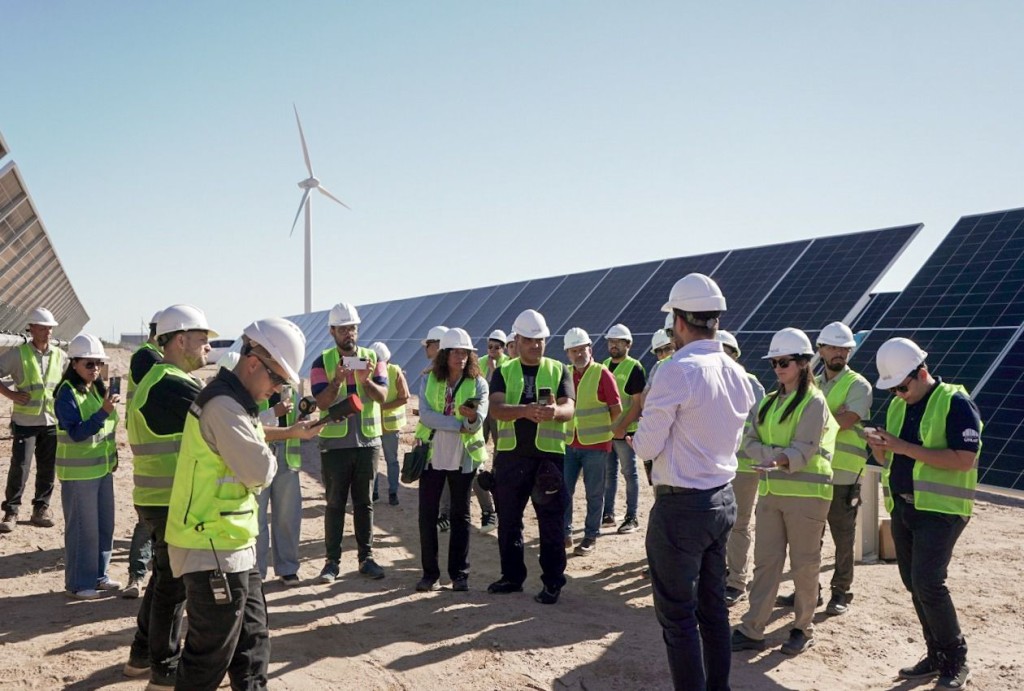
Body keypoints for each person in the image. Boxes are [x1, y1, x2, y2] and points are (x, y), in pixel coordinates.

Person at [165, 317, 316, 690]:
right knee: (210, 656)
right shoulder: (223, 406)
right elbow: (259, 472)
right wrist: (271, 451)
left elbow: (251, 435)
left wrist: (288, 431)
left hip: (233, 545)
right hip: (210, 546)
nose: (279, 390)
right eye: (277, 380)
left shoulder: (236, 401)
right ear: (253, 363)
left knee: (252, 646)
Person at [633, 274, 754, 691]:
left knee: (678, 617)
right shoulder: (738, 373)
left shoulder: (675, 370)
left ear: (680, 322)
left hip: (681, 508)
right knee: (713, 610)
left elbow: (647, 448)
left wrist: (639, 432)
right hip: (721, 501)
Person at [867, 338, 981, 689]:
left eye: (903, 386)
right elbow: (892, 460)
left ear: (922, 373)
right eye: (894, 389)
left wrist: (902, 447)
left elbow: (964, 460)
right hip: (904, 507)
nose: (899, 394)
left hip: (942, 511)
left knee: (930, 582)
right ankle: (936, 654)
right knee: (913, 583)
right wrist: (881, 449)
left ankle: (956, 658)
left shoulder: (956, 402)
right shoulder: (900, 406)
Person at [123, 304, 216, 689]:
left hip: (156, 497)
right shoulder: (173, 383)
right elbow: (223, 422)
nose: (208, 349)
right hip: (167, 499)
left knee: (164, 579)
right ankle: (164, 670)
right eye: (203, 340)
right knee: (173, 587)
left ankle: (142, 656)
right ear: (180, 340)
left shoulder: (161, 378)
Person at [732, 327, 837, 657]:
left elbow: (802, 449)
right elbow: (747, 440)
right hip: (771, 491)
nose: (778, 367)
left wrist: (771, 454)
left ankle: (802, 628)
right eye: (775, 362)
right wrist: (772, 454)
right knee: (766, 563)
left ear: (804, 363)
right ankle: (753, 629)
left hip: (807, 496)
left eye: (785, 362)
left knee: (804, 564)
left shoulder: (814, 402)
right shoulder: (767, 403)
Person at [487, 309, 575, 604]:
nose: (536, 345)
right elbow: (496, 408)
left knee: (550, 524)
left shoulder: (559, 369)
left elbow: (568, 408)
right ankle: (512, 577)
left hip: (548, 459)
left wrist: (554, 412)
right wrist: (525, 410)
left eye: (540, 340)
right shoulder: (503, 371)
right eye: (530, 340)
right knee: (509, 521)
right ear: (518, 340)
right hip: (512, 459)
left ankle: (553, 582)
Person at [785, 322, 871, 616]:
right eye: (833, 347)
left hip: (844, 475)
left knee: (843, 537)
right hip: (813, 473)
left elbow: (846, 421)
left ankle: (841, 592)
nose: (840, 353)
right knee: (809, 538)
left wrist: (810, 420)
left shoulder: (858, 385)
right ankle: (809, 591)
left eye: (845, 348)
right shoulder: (812, 384)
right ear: (820, 350)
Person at [312, 302, 389, 583]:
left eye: (352, 328)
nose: (349, 334)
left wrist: (364, 380)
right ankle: (331, 562)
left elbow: (383, 397)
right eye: (343, 329)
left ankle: (366, 558)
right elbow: (321, 401)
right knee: (334, 503)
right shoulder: (322, 361)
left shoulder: (372, 357)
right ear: (332, 331)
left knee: (364, 503)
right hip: (335, 446)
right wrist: (336, 382)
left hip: (368, 442)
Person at [413, 328, 489, 591]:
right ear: (444, 355)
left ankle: (459, 575)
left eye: (465, 352)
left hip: (463, 458)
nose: (461, 357)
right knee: (427, 516)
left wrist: (469, 420)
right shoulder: (429, 380)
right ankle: (429, 574)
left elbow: (477, 422)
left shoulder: (479, 383)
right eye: (456, 352)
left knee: (461, 516)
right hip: (432, 457)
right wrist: (460, 423)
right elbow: (425, 416)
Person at [54, 334, 120, 599]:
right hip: (79, 474)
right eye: (89, 364)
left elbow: (107, 431)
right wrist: (103, 411)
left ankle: (99, 576)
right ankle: (80, 583)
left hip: (102, 469)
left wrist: (112, 458)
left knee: (105, 526)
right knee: (84, 529)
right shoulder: (66, 394)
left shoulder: (95, 389)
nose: (95, 369)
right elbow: (77, 434)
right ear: (74, 364)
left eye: (98, 364)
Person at [0, 307, 66, 532]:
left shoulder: (59, 355)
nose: (48, 331)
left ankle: (41, 508)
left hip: (51, 421)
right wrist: (11, 394)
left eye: (50, 328)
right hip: (25, 422)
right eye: (43, 327)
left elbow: (68, 383)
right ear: (31, 328)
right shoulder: (19, 354)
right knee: (20, 467)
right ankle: (11, 511)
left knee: (47, 468)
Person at [717, 330, 766, 608]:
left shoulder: (750, 384)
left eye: (725, 352)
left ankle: (737, 581)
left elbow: (762, 425)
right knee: (717, 523)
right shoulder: (709, 383)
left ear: (734, 355)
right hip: (717, 466)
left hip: (744, 467)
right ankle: (722, 573)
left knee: (739, 524)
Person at [561, 328, 620, 556]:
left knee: (594, 494)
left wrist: (607, 434)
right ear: (568, 353)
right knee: (564, 491)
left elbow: (616, 410)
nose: (578, 354)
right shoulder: (564, 373)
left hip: (595, 446)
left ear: (590, 349)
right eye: (573, 350)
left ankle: (590, 536)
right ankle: (564, 532)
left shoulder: (602, 373)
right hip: (569, 442)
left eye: (581, 349)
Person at [123, 309, 164, 599]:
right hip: (151, 441)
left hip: (158, 441)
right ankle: (136, 575)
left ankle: (146, 574)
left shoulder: (154, 357)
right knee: (147, 514)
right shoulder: (147, 357)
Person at [255, 383, 305, 586]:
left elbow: (298, 422)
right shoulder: (251, 388)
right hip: (259, 457)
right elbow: (245, 423)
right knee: (257, 519)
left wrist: (304, 418)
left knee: (287, 516)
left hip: (286, 457)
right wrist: (274, 412)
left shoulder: (291, 390)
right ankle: (256, 572)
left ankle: (288, 568)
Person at [601, 323, 646, 534]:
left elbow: (638, 404)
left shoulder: (634, 367)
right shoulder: (603, 366)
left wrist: (623, 428)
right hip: (607, 432)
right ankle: (607, 513)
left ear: (628, 344)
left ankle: (632, 517)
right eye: (611, 341)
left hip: (626, 432)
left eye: (618, 342)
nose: (613, 345)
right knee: (609, 473)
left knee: (630, 474)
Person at [369, 341, 408, 506]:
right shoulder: (367, 372)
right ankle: (375, 493)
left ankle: (393, 493)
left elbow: (404, 397)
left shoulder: (394, 371)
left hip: (389, 426)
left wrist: (384, 406)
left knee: (391, 461)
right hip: (373, 425)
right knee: (374, 462)